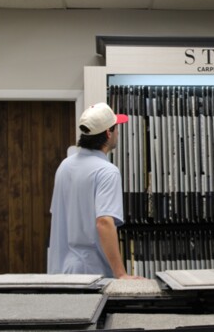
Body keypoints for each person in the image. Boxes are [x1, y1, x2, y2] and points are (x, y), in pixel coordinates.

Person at [47, 102, 142, 279]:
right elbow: (104, 222)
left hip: (60, 273)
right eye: (116, 128)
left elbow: (57, 215)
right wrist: (121, 274)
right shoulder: (106, 171)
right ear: (108, 133)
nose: (118, 133)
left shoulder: (64, 166)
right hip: (91, 275)